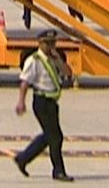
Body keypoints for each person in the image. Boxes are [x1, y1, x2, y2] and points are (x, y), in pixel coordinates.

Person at [13, 29, 74, 181]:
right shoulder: (34, 61)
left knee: (50, 136)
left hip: (52, 103)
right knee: (55, 137)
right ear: (40, 43)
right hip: (41, 102)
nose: (51, 46)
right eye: (48, 43)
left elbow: (67, 72)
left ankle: (23, 158)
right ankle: (58, 171)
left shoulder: (53, 59)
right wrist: (21, 102)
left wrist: (58, 59)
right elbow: (25, 82)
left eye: (53, 43)